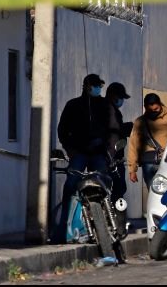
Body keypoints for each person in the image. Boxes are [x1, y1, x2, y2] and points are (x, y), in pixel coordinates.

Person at [55, 74, 118, 242]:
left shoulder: (106, 106)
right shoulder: (73, 105)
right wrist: (70, 150)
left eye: (99, 86)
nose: (98, 89)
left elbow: (114, 131)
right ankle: (64, 229)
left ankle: (108, 225)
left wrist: (109, 152)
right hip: (79, 153)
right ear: (86, 86)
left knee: (104, 186)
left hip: (99, 154)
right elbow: (62, 130)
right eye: (95, 85)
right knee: (70, 185)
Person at [128, 93, 167, 188]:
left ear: (160, 104)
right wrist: (132, 170)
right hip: (148, 162)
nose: (153, 112)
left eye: (156, 109)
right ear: (145, 107)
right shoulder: (140, 122)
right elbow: (133, 145)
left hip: (166, 159)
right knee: (152, 191)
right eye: (150, 110)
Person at [106, 82, 132, 203]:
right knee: (117, 190)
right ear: (113, 95)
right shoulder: (108, 110)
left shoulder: (113, 110)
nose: (122, 101)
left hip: (114, 158)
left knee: (118, 189)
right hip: (111, 159)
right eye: (120, 97)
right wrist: (127, 128)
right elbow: (113, 131)